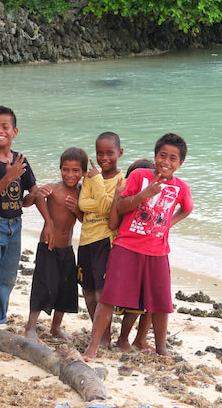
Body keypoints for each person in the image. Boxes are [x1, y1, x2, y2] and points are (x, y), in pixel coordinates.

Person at [83, 133, 194, 361]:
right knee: (109, 298)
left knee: (162, 303)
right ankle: (92, 347)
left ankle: (162, 347)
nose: (166, 161)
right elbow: (122, 206)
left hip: (158, 252)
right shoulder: (140, 176)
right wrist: (145, 195)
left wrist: (167, 226)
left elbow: (188, 208)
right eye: (162, 155)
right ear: (155, 156)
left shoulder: (181, 187)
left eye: (173, 158)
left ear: (180, 163)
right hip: (127, 247)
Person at [0, 105, 52, 353]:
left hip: (14, 226)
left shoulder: (21, 160)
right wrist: (8, 177)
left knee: (7, 278)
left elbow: (28, 198)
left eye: (5, 127)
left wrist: (44, 209)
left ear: (14, 131)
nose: (0, 131)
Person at [24, 147, 88, 343]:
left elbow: (85, 220)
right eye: (65, 169)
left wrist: (76, 210)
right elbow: (26, 202)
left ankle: (56, 327)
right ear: (60, 169)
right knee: (43, 285)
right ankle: (30, 328)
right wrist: (36, 194)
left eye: (75, 170)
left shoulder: (82, 193)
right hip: (48, 246)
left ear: (83, 173)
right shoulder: (53, 188)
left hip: (67, 248)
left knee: (66, 288)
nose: (70, 174)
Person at [77, 132, 124, 346]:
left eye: (109, 153)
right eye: (99, 153)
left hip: (106, 241)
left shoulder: (122, 180)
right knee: (87, 289)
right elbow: (82, 204)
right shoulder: (90, 176)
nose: (104, 158)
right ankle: (99, 331)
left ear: (120, 153)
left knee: (102, 291)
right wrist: (103, 198)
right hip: (86, 241)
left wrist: (96, 180)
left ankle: (105, 335)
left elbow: (107, 208)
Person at [108, 159, 155, 353]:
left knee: (152, 301)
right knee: (134, 304)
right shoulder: (126, 202)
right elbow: (113, 224)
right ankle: (123, 338)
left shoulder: (152, 203)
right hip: (127, 253)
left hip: (150, 254)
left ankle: (140, 339)